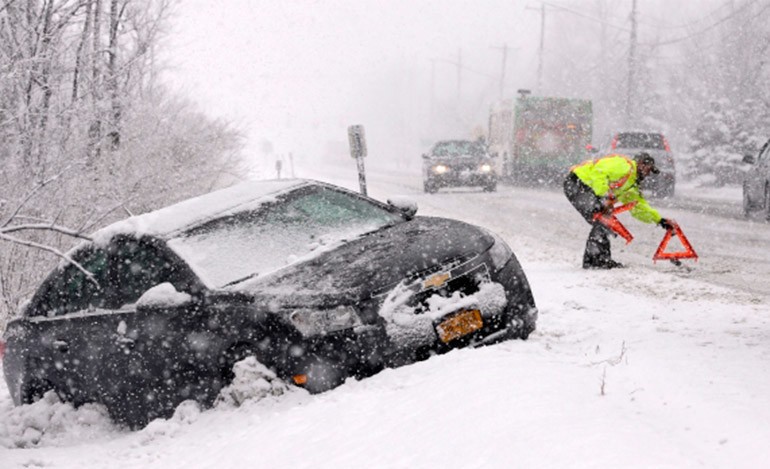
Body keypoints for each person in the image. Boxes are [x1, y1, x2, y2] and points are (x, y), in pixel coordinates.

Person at [563, 152, 673, 269]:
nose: (647, 174)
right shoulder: (625, 165)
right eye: (648, 169)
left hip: (586, 189)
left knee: (605, 221)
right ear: (640, 164)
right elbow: (599, 171)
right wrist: (604, 196)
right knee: (603, 220)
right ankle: (595, 261)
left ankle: (599, 260)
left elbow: (638, 208)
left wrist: (660, 220)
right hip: (577, 183)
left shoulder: (631, 185)